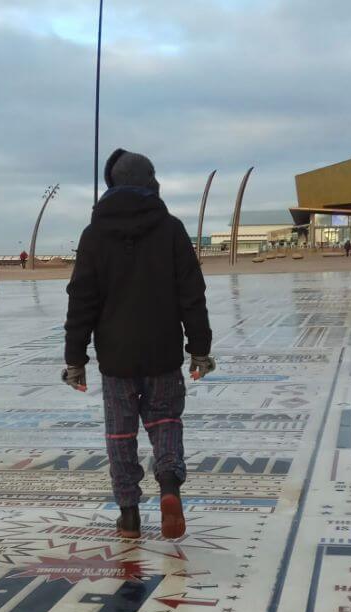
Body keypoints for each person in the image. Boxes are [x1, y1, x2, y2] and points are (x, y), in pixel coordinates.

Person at [62, 148, 213, 541]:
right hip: (162, 352)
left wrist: (75, 359)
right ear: (151, 182)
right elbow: (191, 293)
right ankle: (168, 488)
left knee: (120, 435)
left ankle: (128, 515)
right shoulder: (171, 228)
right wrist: (199, 349)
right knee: (165, 422)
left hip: (116, 358)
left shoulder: (94, 235)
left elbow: (82, 299)